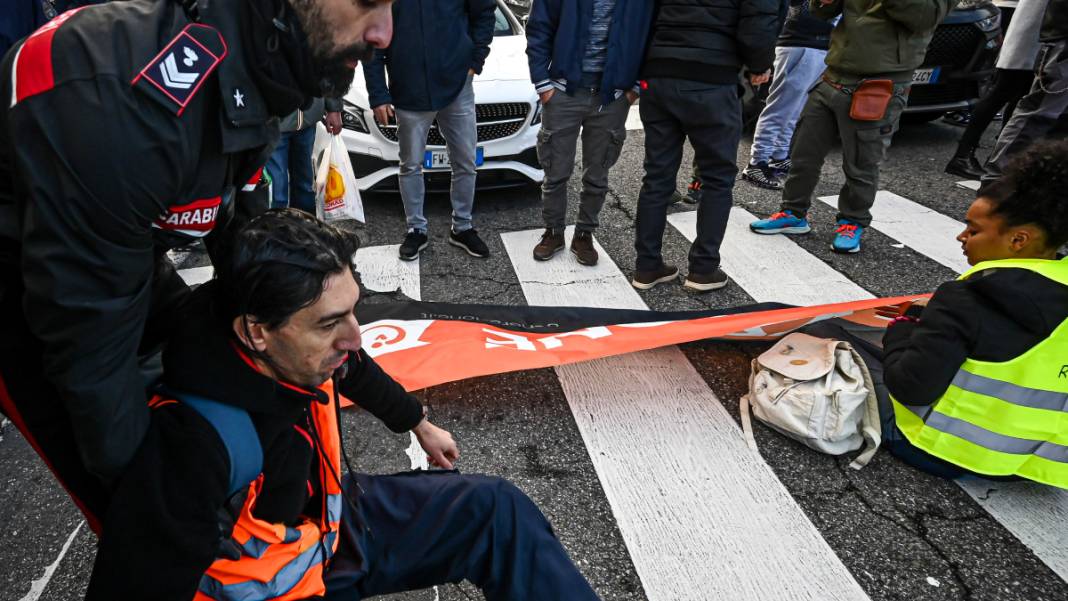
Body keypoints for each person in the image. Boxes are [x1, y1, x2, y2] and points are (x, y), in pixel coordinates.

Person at [0, 0, 392, 532]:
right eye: (369, 2)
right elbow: (90, 351)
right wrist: (166, 517)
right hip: (23, 287)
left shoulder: (263, 57)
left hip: (119, 247)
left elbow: (256, 263)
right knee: (144, 512)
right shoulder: (137, 107)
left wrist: (384, 397)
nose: (385, 33)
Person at [86, 209, 602, 600]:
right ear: (256, 333)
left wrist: (418, 422)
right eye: (331, 323)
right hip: (289, 584)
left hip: (337, 525)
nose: (355, 338)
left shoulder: (299, 346)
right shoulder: (191, 445)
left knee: (495, 510)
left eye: (353, 311)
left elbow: (357, 369)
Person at [879, 141, 1068, 487]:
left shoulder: (967, 298)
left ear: (1018, 240)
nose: (961, 236)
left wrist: (901, 329)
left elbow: (910, 387)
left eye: (974, 229)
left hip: (942, 451)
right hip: (1036, 465)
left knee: (847, 348)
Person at [749, 0, 956, 254]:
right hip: (834, 73)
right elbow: (821, 11)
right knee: (804, 153)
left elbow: (922, 17)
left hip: (880, 82)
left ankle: (852, 221)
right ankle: (793, 212)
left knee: (862, 161)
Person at [631, 0, 779, 291]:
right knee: (717, 179)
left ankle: (646, 267)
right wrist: (759, 64)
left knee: (657, 176)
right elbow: (759, 20)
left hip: (660, 72)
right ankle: (703, 269)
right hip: (713, 76)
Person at [363, 0, 496, 262]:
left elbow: (484, 12)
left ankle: (462, 227)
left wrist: (475, 61)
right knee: (410, 164)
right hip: (408, 91)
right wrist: (378, 94)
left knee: (466, 162)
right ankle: (416, 229)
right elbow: (372, 38)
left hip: (457, 87)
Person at [525, 0, 655, 266]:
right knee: (555, 171)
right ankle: (553, 231)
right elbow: (539, 28)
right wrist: (542, 83)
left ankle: (584, 234)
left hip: (613, 96)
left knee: (598, 174)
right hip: (563, 91)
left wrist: (636, 89)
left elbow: (654, 38)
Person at [944, 0, 1048, 179]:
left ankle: (1002, 157)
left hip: (1036, 30)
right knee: (1003, 91)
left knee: (1019, 95)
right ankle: (964, 156)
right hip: (1029, 27)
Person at [741, 0, 836, 191]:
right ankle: (757, 162)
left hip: (812, 43)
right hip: (801, 43)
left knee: (793, 108)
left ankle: (778, 156)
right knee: (782, 108)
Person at [982, 0, 1068, 182]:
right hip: (1063, 44)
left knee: (1055, 120)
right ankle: (996, 183)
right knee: (1038, 115)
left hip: (1060, 41)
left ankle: (1042, 184)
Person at [267, 97, 343, 213]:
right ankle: (276, 226)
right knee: (276, 189)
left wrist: (333, 107)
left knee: (305, 186)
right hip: (274, 121)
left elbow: (329, 78)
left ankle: (305, 226)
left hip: (308, 120)